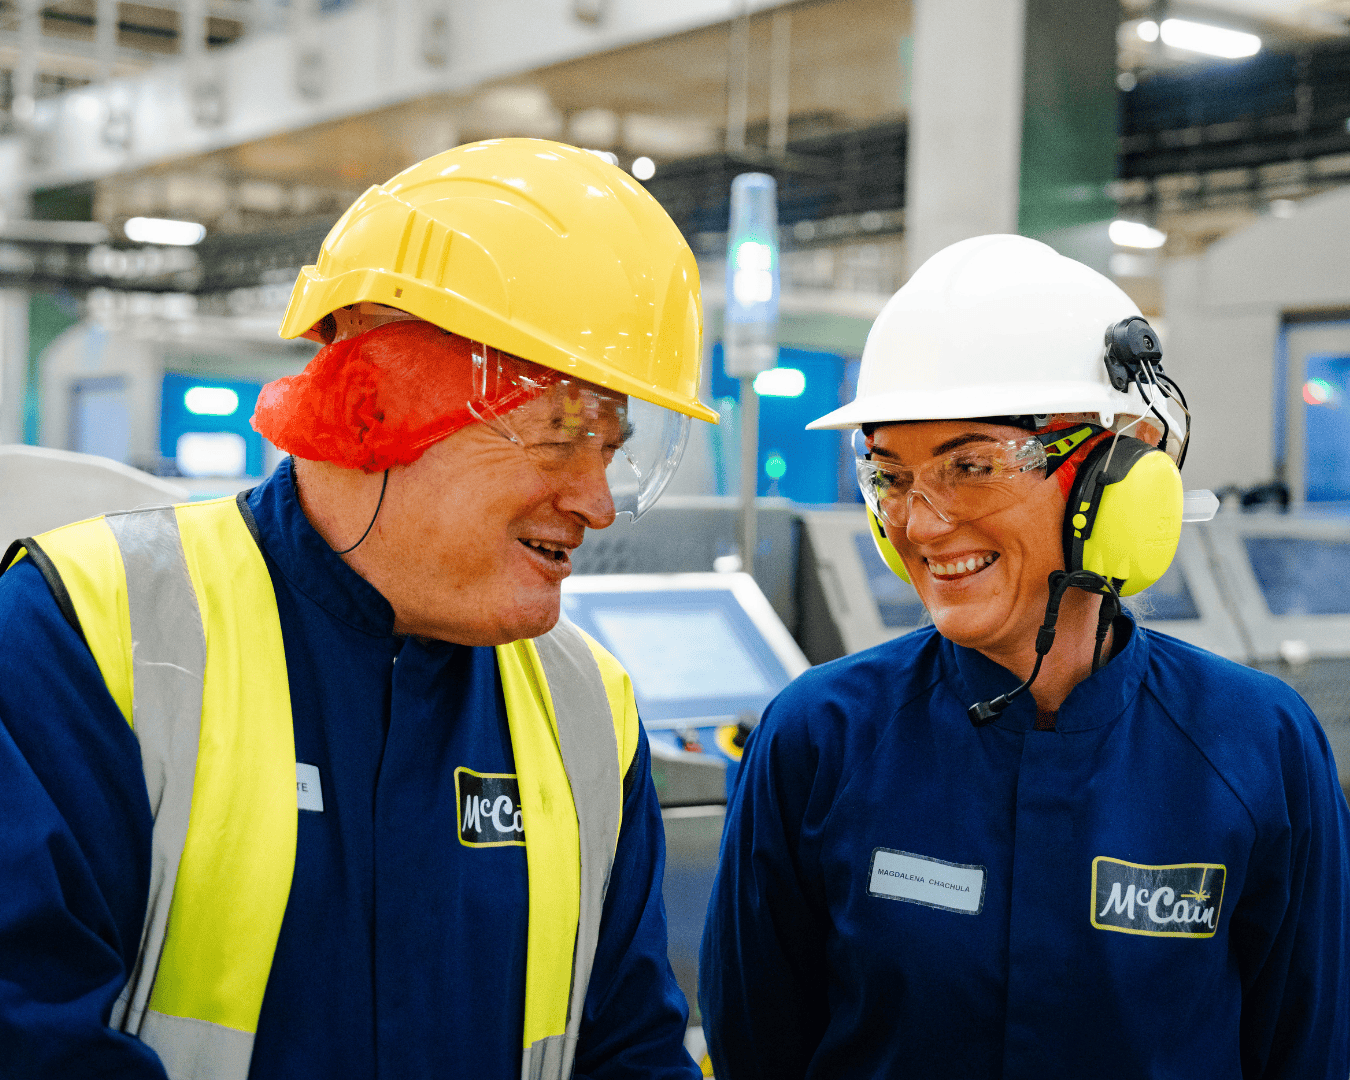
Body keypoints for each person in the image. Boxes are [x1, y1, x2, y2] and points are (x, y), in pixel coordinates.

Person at [0, 139, 717, 1080]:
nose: (598, 502)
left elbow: (627, 1052)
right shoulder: (83, 637)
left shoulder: (586, 708)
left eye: (615, 448)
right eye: (560, 437)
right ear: (381, 403)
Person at [699, 234, 1350, 1078]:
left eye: (972, 466)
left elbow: (1310, 1053)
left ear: (1119, 470)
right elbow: (759, 1050)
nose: (923, 525)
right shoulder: (820, 738)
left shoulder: (1255, 745)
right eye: (890, 476)